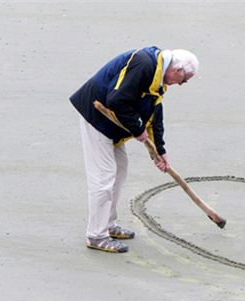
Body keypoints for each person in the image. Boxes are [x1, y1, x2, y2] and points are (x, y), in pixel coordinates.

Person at [70, 46, 199, 253]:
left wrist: (160, 151)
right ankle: (96, 235)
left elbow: (154, 112)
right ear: (177, 70)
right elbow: (116, 100)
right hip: (96, 118)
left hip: (113, 126)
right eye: (185, 79)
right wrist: (138, 130)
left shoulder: (159, 77)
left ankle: (108, 225)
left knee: (120, 170)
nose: (182, 84)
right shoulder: (144, 64)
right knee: (103, 178)